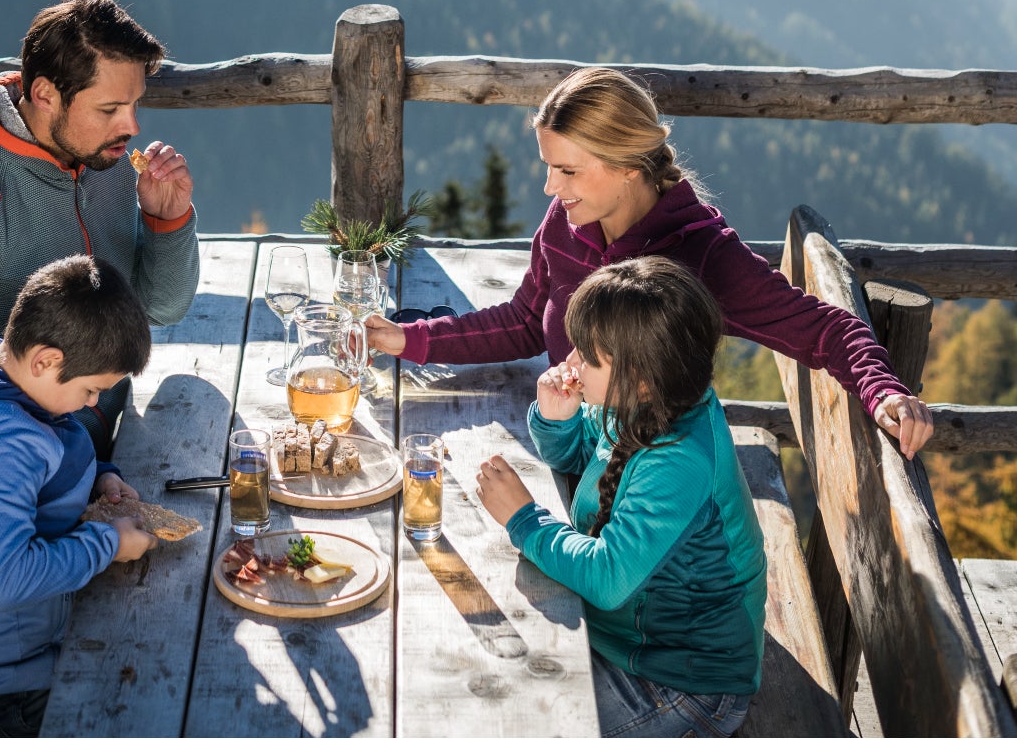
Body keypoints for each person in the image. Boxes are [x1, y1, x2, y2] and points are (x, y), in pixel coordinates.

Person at [367, 67, 934, 456]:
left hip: (644, 498)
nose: (549, 187)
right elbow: (523, 321)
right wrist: (409, 340)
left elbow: (826, 329)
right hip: (564, 444)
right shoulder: (567, 222)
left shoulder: (701, 254)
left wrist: (884, 391)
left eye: (567, 171)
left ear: (628, 166)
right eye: (548, 166)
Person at [0, 0, 200, 502]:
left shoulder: (102, 157)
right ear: (45, 94)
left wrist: (166, 221)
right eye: (110, 108)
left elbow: (162, 310)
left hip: (100, 445)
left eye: (134, 104)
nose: (132, 127)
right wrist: (70, 460)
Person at [476, 257, 765, 738]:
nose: (572, 362)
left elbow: (609, 577)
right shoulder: (647, 401)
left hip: (681, 685)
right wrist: (559, 419)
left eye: (589, 356)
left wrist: (524, 519)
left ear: (642, 375)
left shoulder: (678, 460)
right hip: (624, 640)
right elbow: (582, 457)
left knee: (516, 720)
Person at [0, 254, 157, 738]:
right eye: (91, 389)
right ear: (45, 360)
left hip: (21, 661)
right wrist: (109, 543)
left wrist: (100, 478)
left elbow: (47, 462)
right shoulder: (1, 442)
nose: (93, 402)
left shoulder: (3, 379)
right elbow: (1, 583)